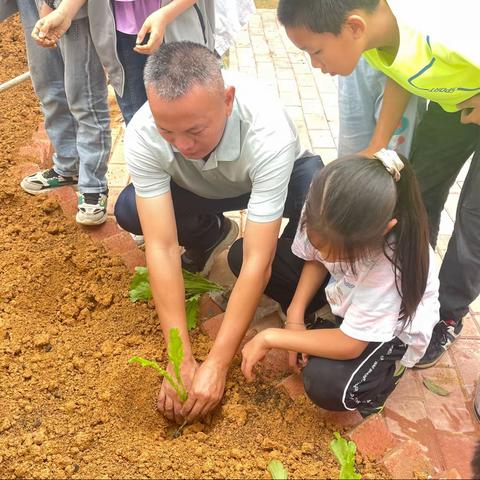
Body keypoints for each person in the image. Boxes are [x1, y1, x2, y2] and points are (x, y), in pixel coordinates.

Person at [114, 41, 322, 424]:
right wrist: (180, 357)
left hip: (275, 179)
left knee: (318, 199)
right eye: (168, 132)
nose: (182, 145)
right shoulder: (144, 132)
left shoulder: (268, 130)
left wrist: (217, 363)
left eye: (194, 130)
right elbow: (160, 248)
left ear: (227, 100)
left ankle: (310, 289)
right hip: (198, 188)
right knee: (130, 210)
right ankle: (209, 234)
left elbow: (258, 262)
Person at [276, 0, 480, 368]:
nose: (315, 65)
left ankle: (445, 315)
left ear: (354, 26)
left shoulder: (448, 31)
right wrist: (375, 146)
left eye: (316, 51)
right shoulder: (376, 40)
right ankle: (402, 294)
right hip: (457, 105)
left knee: (475, 220)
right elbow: (400, 75)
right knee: (419, 190)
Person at [236, 151, 440, 417]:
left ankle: (385, 374)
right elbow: (316, 259)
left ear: (383, 230)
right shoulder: (322, 205)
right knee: (244, 255)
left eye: (339, 253)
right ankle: (324, 321)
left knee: (329, 385)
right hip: (347, 291)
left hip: (389, 328)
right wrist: (295, 317)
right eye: (320, 245)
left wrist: (272, 337)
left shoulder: (392, 263)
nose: (327, 256)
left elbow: (350, 344)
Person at [18, 0, 124, 225]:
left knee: (83, 94)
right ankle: (68, 166)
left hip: (73, 8)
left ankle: (93, 185)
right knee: (48, 86)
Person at [28, 0, 215, 125]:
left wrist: (166, 15)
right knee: (138, 121)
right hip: (122, 34)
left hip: (177, 24)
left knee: (191, 116)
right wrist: (64, 12)